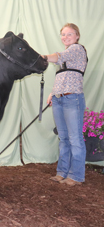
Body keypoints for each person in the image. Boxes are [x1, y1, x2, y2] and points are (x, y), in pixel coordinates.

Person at [44, 23, 88, 186]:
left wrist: (42, 57)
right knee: (63, 138)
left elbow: (58, 56)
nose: (66, 37)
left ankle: (76, 175)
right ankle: (62, 172)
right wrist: (52, 93)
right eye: (63, 34)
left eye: (69, 34)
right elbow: (63, 77)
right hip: (59, 98)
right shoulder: (67, 55)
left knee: (75, 138)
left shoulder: (77, 49)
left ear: (77, 36)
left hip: (72, 99)